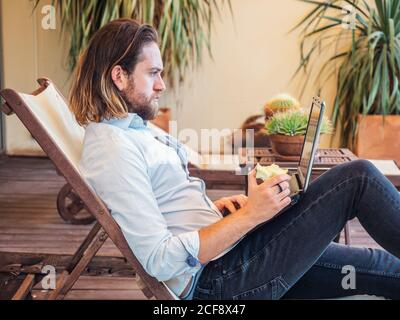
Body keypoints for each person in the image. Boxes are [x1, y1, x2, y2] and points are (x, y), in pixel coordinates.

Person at [70, 19, 400, 300]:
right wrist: (250, 217)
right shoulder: (114, 150)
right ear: (119, 77)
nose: (162, 85)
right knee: (359, 178)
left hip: (234, 255)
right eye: (152, 73)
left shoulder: (132, 130)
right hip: (219, 282)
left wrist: (218, 213)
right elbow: (158, 260)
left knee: (383, 268)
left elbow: (164, 210)